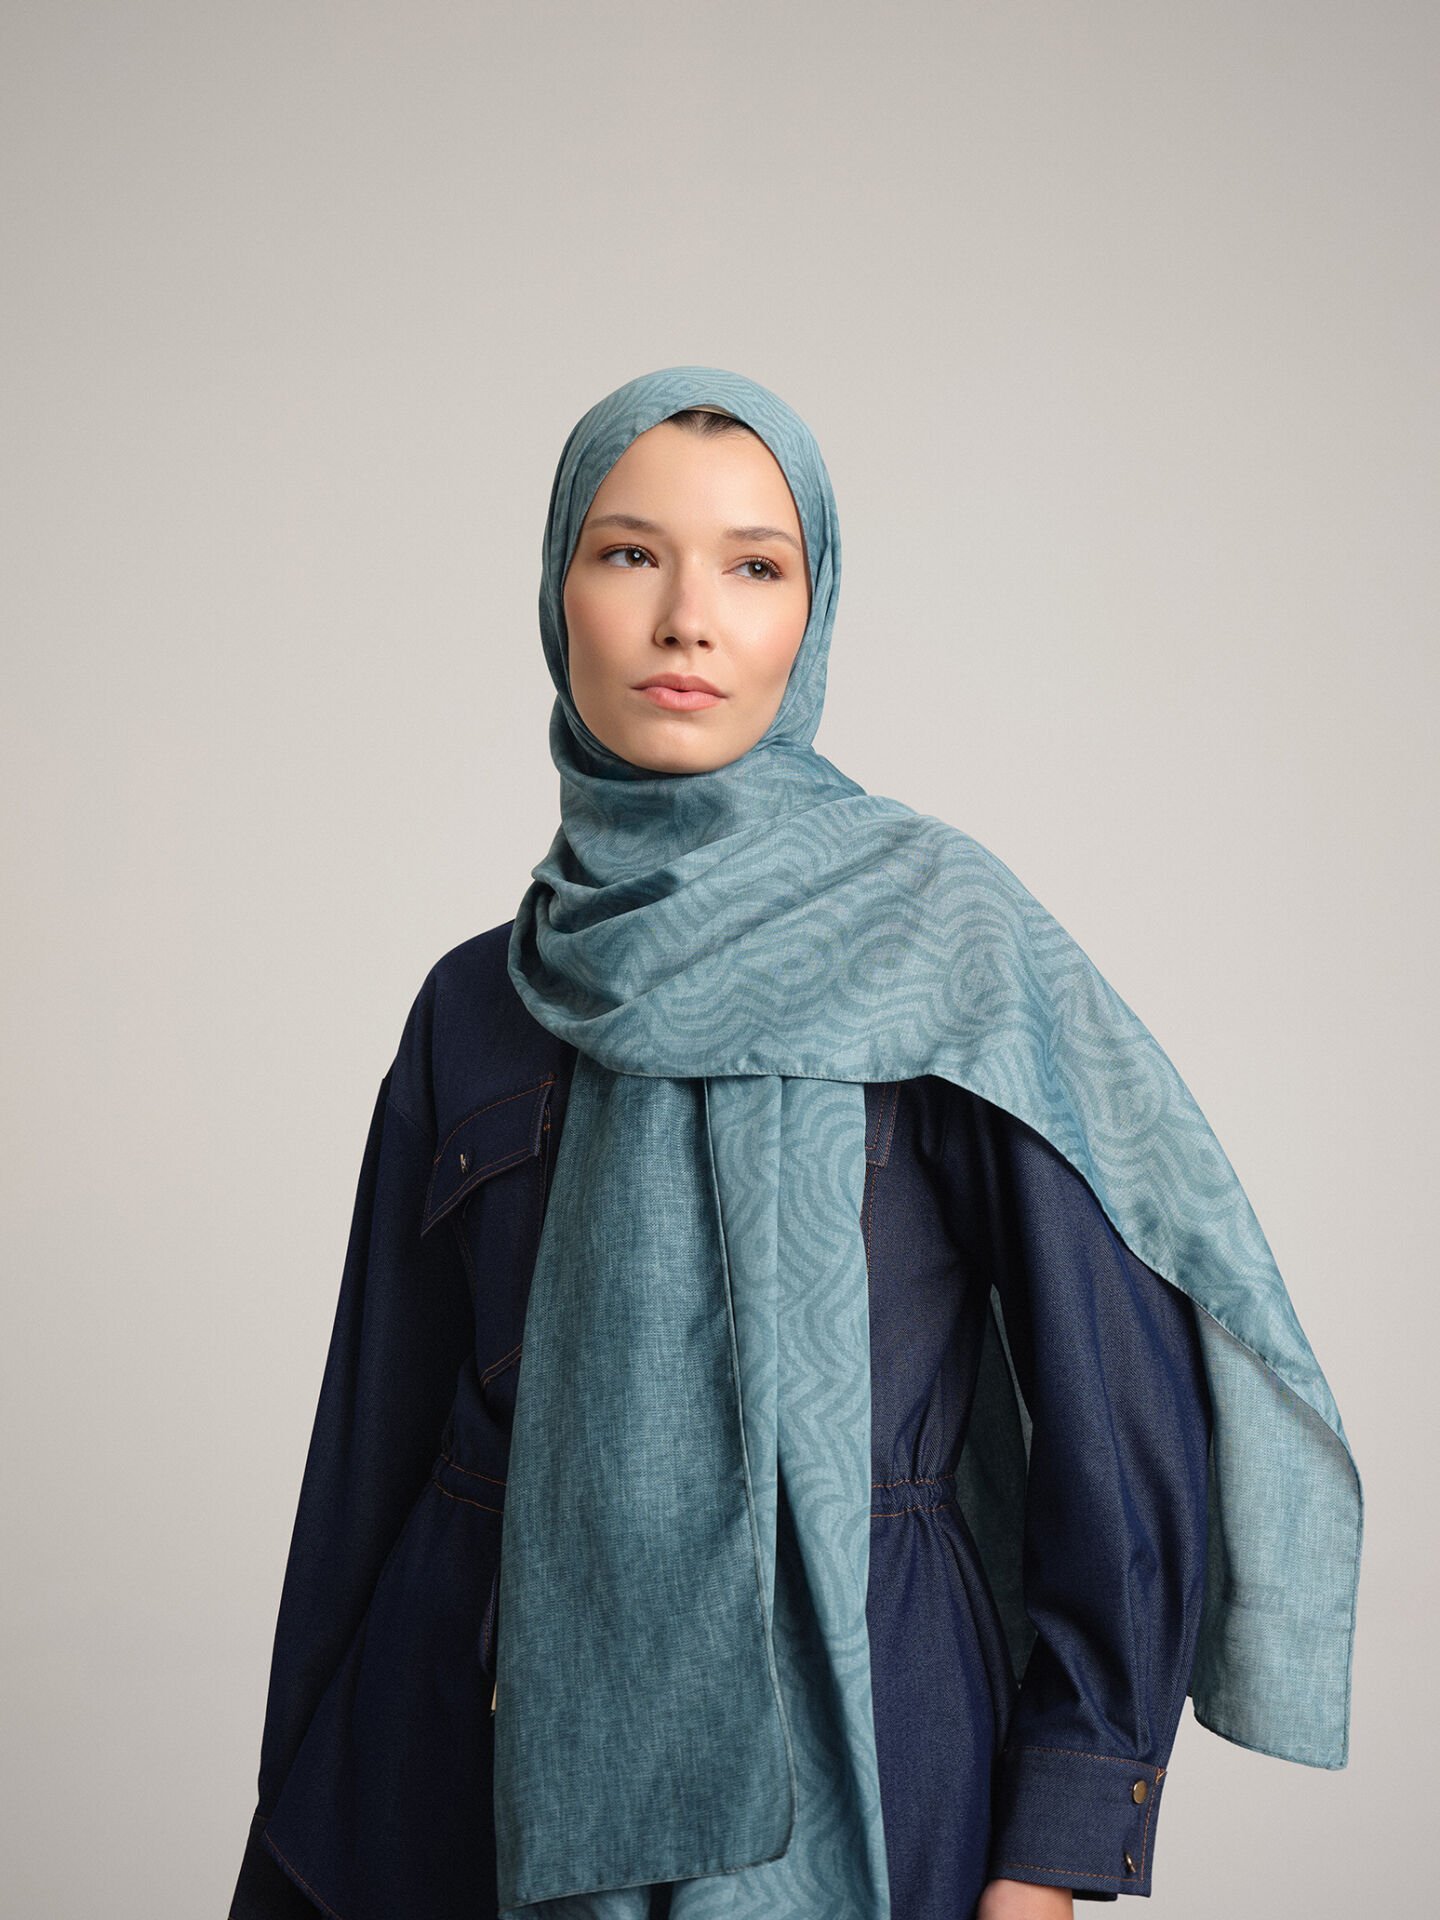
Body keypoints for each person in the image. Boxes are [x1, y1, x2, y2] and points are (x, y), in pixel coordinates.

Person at [230, 369, 1362, 1920]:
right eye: (630, 554)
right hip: (466, 1758)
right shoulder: (475, 1007)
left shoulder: (939, 947)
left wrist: (1056, 1836)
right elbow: (366, 1460)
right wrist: (303, 1819)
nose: (687, 619)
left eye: (754, 567)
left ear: (811, 614)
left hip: (871, 1738)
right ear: (557, 592)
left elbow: (1118, 1402)